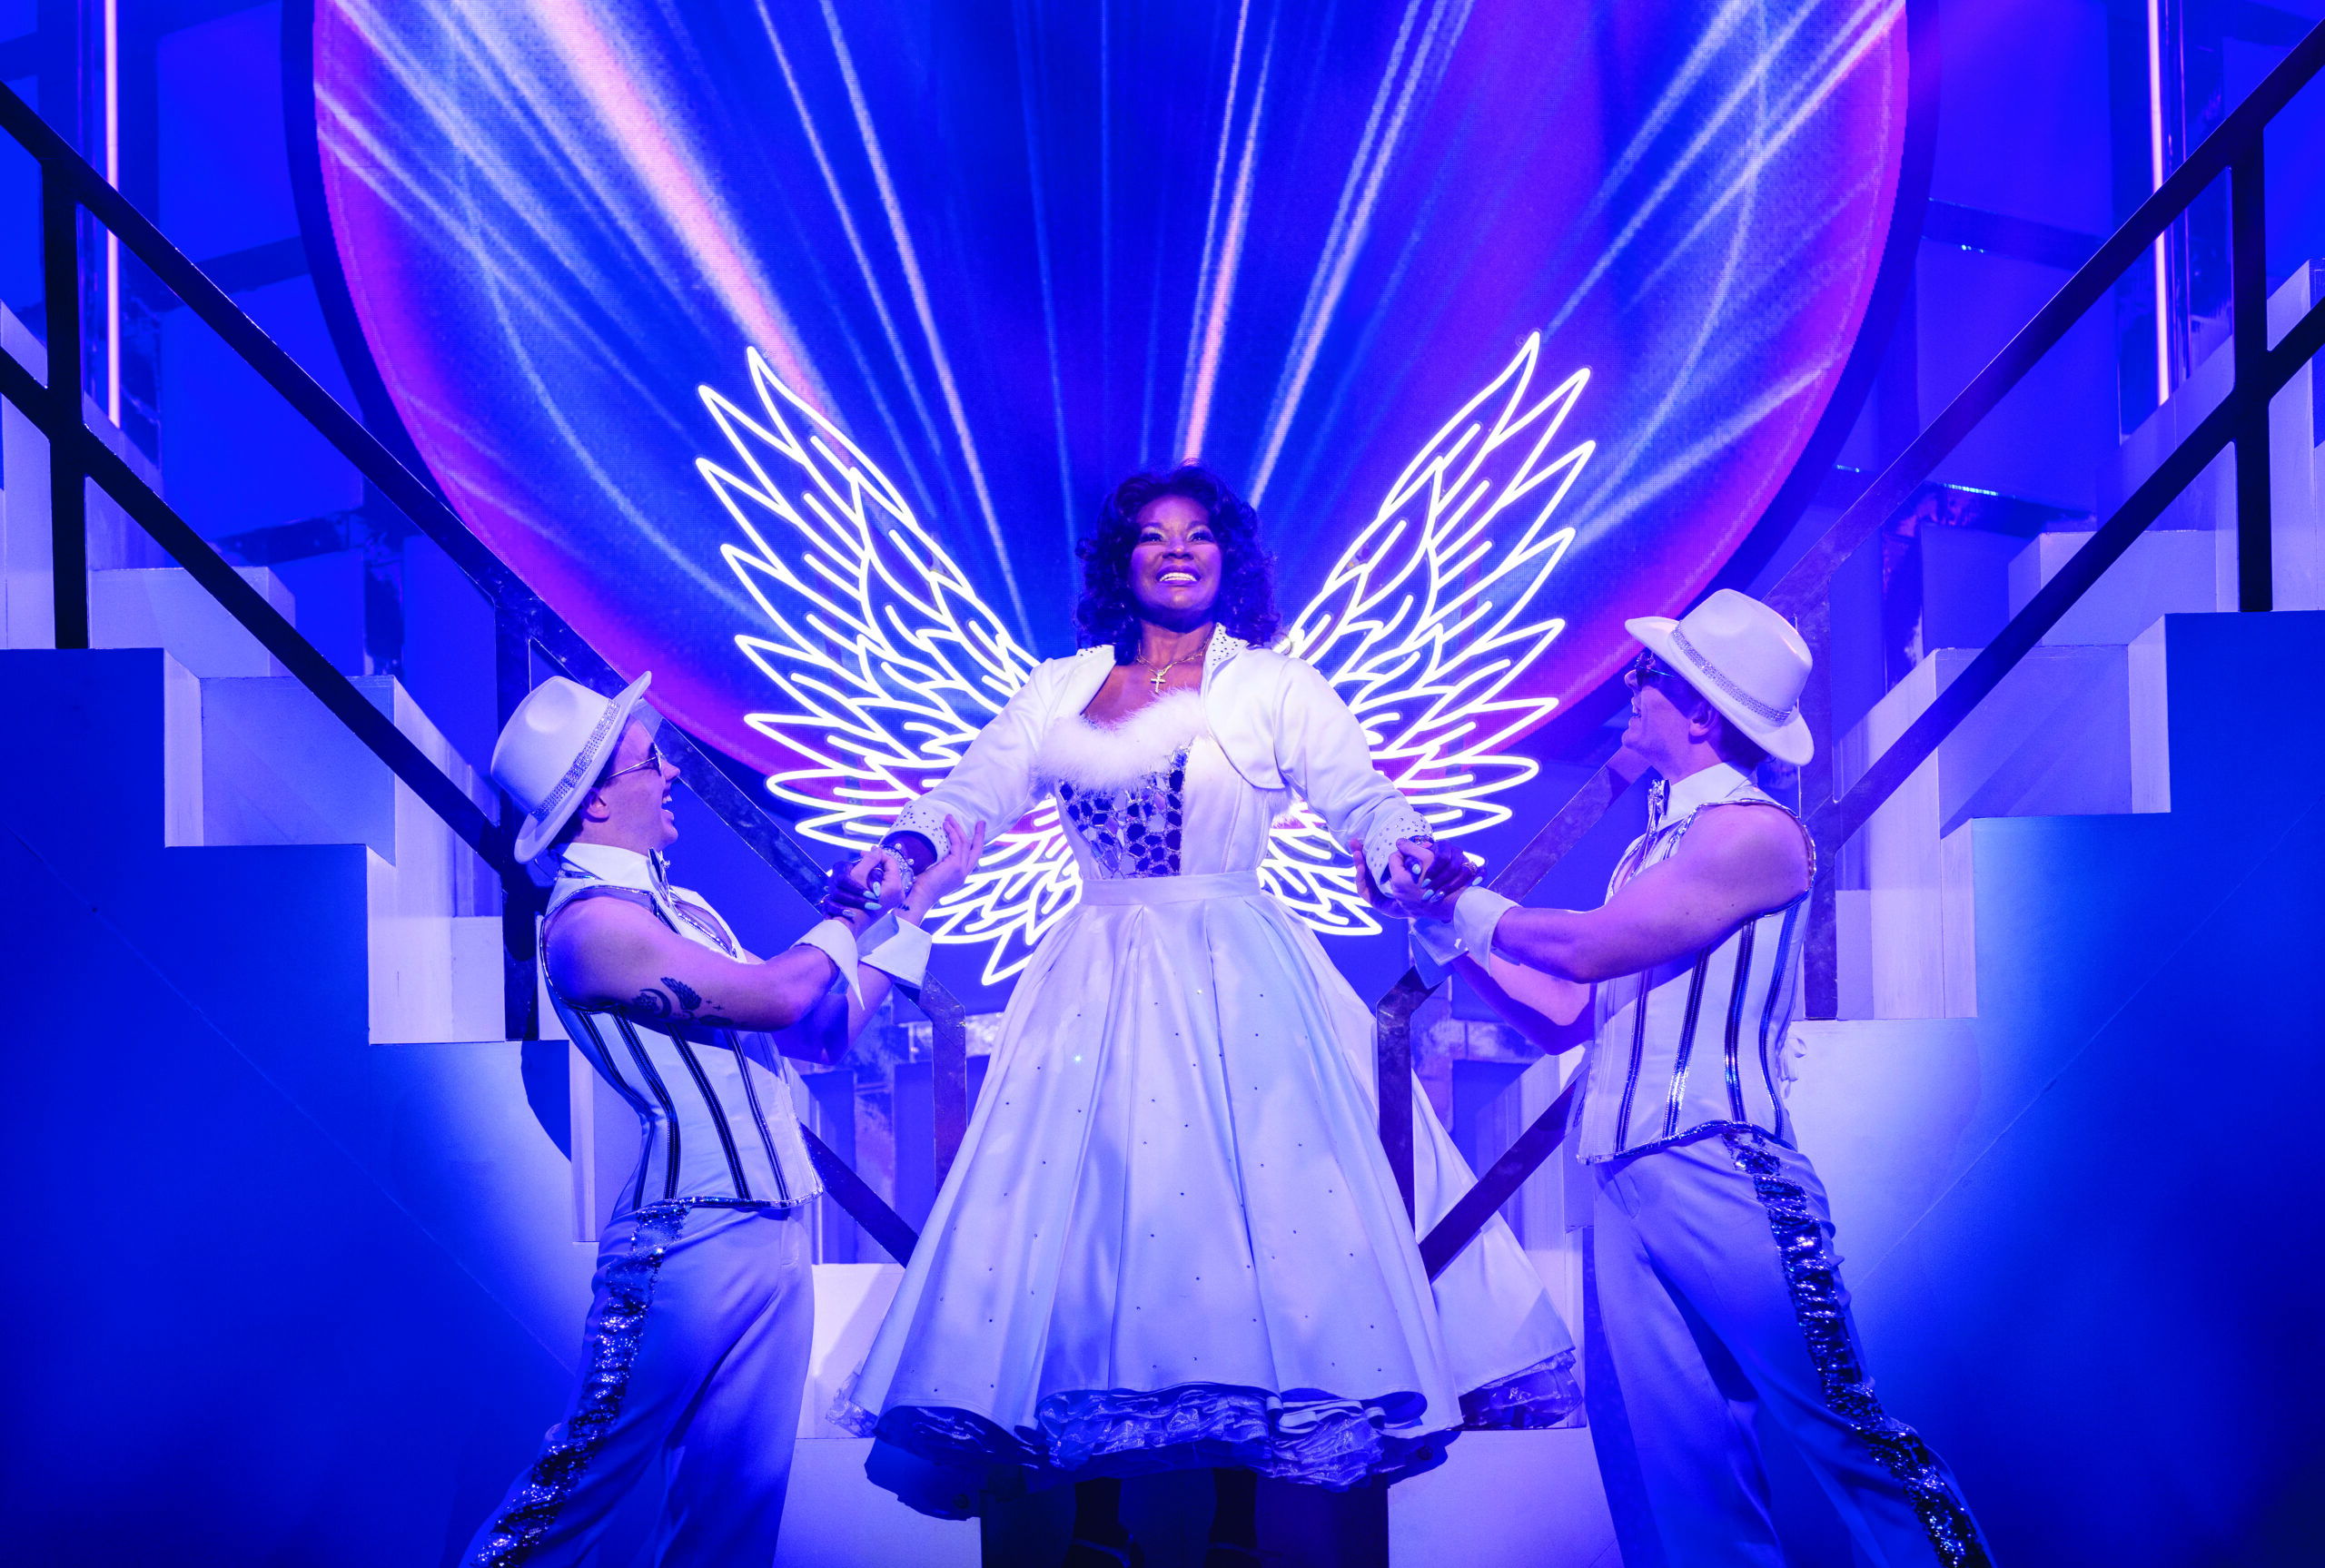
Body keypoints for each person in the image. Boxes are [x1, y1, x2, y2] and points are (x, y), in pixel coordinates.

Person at [836, 466, 1580, 1566]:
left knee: (1247, 1226)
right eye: (1151, 535)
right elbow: (969, 795)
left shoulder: (1274, 686)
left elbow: (1363, 801)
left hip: (1238, 971)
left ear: (1227, 555)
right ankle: (1098, 1521)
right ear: (1120, 560)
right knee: (1092, 1220)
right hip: (1095, 973)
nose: (1175, 549)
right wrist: (905, 851)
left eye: (1197, 534)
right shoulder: (1060, 687)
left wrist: (1404, 851)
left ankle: (1235, 1520)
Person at [1374, 589, 1993, 1568]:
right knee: (1673, 1482)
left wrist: (1470, 897)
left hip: (1721, 1164)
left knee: (1847, 1433)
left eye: (1651, 675)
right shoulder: (1651, 844)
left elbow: (1584, 948)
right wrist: (1448, 925)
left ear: (1701, 711)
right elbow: (1570, 1010)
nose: (1631, 684)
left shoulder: (1753, 831)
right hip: (1622, 1174)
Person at [460, 672, 981, 1568]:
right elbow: (781, 996)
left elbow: (821, 1031)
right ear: (592, 806)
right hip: (682, 1245)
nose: (669, 773)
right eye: (646, 760)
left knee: (733, 1519)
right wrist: (851, 915)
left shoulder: (683, 907)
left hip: (774, 1231)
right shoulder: (588, 926)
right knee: (571, 1491)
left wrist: (907, 911)